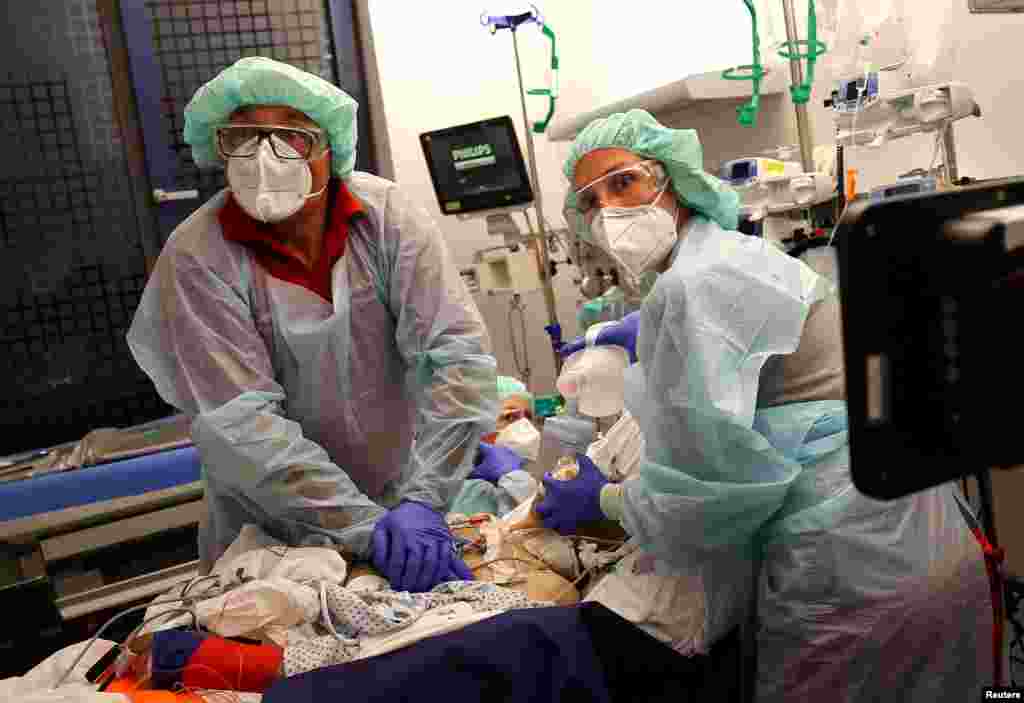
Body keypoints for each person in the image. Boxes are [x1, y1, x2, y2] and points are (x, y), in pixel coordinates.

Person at [539, 109, 992, 701]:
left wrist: (604, 499)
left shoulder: (691, 285)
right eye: (591, 201)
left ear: (671, 179)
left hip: (845, 571)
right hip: (912, 526)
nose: (610, 212)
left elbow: (709, 493)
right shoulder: (732, 253)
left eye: (624, 182)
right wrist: (648, 336)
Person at [126, 57, 499, 594]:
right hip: (271, 528)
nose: (265, 157)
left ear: (330, 148)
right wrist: (367, 529)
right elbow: (242, 424)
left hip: (404, 500)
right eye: (245, 137)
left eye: (291, 137)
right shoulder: (199, 254)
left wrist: (423, 502)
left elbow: (457, 357)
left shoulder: (387, 218)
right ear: (218, 146)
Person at [450, 376, 541, 518]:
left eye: (528, 417)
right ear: (477, 422)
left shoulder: (515, 483)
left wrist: (515, 480)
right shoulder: (451, 490)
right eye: (510, 417)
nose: (525, 427)